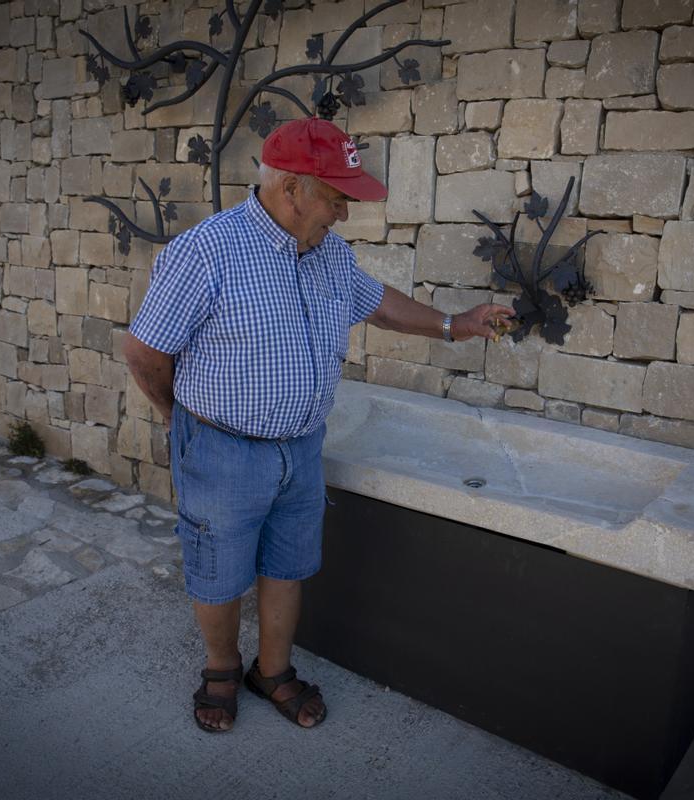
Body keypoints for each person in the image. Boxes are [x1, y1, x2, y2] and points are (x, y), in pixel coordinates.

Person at [124, 117, 514, 733]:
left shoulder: (328, 253)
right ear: (291, 191)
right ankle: (222, 668)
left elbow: (377, 303)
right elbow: (145, 353)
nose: (344, 213)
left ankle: (271, 670)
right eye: (337, 198)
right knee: (218, 571)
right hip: (222, 448)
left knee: (287, 566)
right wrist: (177, 417)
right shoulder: (206, 252)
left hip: (301, 448)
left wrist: (454, 324)